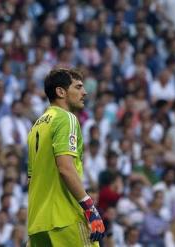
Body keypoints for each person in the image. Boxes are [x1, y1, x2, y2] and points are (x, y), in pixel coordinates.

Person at [27, 68, 105, 246]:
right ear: (61, 92)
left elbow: (31, 179)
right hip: (65, 218)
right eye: (78, 87)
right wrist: (90, 208)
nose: (84, 92)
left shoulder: (35, 128)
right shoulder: (66, 118)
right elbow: (65, 168)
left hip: (38, 223)